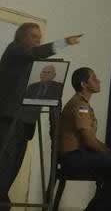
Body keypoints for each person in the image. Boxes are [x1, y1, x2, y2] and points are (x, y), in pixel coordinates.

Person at [0, 23, 81, 211]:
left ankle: (2, 197)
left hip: (24, 121)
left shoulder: (29, 59)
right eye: (34, 36)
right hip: (9, 120)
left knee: (13, 165)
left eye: (39, 37)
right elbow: (36, 52)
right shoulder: (15, 50)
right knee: (5, 163)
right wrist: (64, 42)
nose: (38, 40)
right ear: (22, 37)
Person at [58, 67, 111, 211]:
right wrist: (110, 153)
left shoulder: (81, 103)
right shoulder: (80, 106)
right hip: (73, 158)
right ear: (84, 84)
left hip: (77, 155)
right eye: (94, 78)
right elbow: (89, 141)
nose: (98, 81)